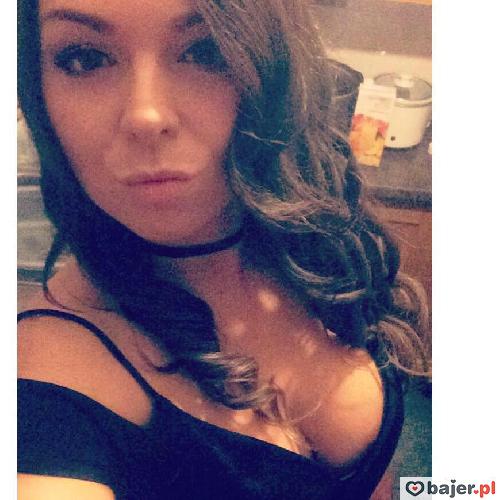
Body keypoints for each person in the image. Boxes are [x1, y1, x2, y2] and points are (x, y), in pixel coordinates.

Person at [17, 0, 430, 498]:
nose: (146, 115)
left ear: (276, 66)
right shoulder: (44, 385)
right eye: (84, 58)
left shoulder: (318, 247)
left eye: (205, 51)